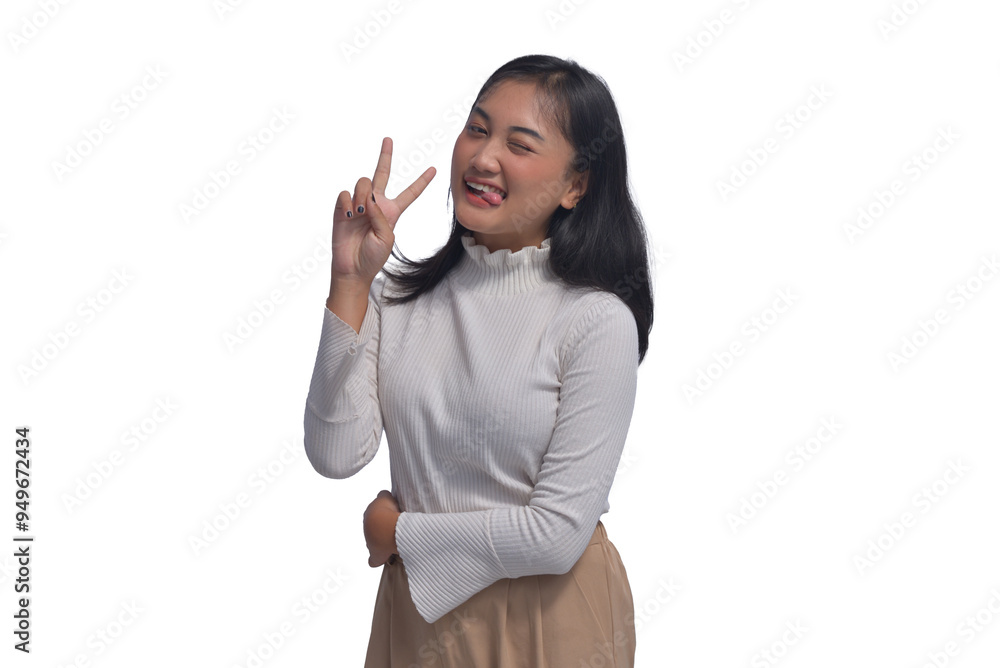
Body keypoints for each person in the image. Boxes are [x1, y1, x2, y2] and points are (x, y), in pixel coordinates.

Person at [303, 54, 654, 667]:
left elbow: (555, 536)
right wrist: (350, 284)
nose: (484, 157)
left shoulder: (595, 322)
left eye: (519, 144)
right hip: (419, 616)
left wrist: (399, 533)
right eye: (476, 129)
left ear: (576, 185)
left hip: (550, 618)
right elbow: (335, 454)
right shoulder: (397, 297)